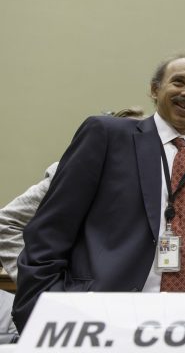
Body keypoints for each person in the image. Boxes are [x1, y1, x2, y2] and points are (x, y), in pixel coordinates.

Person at [12, 55, 185, 332]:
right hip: (95, 318)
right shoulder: (107, 135)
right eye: (178, 82)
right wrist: (41, 309)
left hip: (176, 326)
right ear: (154, 89)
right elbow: (50, 230)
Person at [0, 107, 144, 284]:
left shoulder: (161, 181)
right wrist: (35, 282)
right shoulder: (72, 174)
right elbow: (5, 223)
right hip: (79, 294)